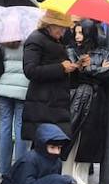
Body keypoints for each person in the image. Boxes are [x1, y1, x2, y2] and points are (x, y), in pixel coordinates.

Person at [21, 9, 74, 171]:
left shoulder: (53, 40)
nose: (63, 32)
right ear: (50, 25)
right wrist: (60, 68)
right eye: (61, 27)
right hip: (43, 105)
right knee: (44, 147)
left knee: (53, 146)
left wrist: (76, 67)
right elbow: (30, 70)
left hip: (54, 103)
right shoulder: (36, 40)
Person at [66, 21, 109, 184]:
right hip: (78, 98)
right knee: (75, 137)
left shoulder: (103, 51)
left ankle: (82, 179)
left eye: (81, 32)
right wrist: (98, 69)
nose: (78, 36)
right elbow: (78, 71)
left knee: (89, 140)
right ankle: (72, 178)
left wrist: (89, 68)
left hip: (96, 100)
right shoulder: (71, 50)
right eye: (76, 32)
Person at [0, 38, 29, 178]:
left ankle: (4, 169)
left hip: (3, 84)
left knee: (4, 125)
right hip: (23, 86)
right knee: (20, 126)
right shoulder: (28, 36)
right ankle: (20, 169)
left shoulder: (1, 36)